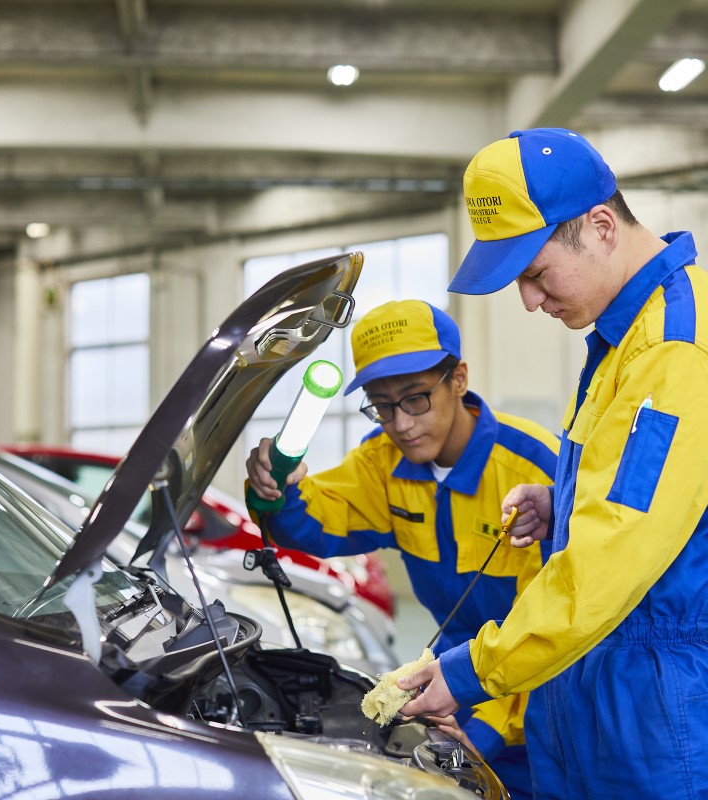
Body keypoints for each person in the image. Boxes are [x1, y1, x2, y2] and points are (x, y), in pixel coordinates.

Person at [396, 127, 708, 799]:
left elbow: (614, 556)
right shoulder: (621, 342)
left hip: (656, 712)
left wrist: (475, 669)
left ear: (600, 226)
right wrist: (560, 504)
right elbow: (642, 500)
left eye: (535, 275)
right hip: (597, 685)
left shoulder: (672, 353)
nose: (530, 302)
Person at [245, 298, 559, 800]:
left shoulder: (536, 469)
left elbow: (554, 628)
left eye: (415, 398)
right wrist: (275, 488)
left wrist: (482, 734)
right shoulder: (383, 463)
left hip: (546, 706)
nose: (402, 423)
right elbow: (313, 524)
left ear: (458, 379)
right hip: (453, 691)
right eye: (382, 404)